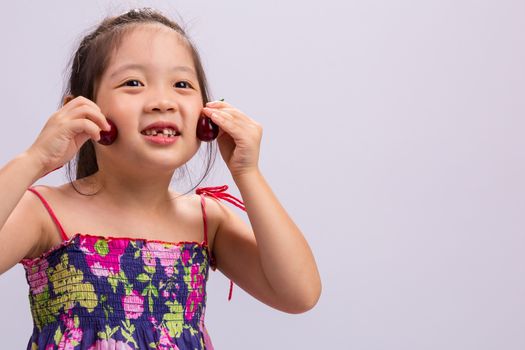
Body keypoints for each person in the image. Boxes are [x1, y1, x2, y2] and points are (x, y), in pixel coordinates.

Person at [0, 7, 321, 350]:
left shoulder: (207, 219)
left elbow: (299, 294)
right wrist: (33, 160)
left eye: (181, 84)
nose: (163, 102)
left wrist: (248, 173)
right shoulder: (45, 212)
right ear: (80, 110)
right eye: (133, 83)